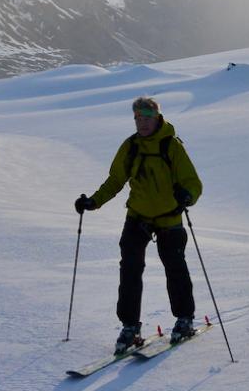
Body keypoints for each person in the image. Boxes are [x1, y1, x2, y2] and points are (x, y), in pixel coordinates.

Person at [75, 96, 203, 354]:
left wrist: (187, 196)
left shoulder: (172, 146)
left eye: (146, 118)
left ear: (157, 118)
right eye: (137, 118)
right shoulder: (131, 146)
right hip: (138, 217)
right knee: (130, 271)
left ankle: (184, 319)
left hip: (169, 218)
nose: (141, 123)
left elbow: (193, 182)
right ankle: (130, 327)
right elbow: (115, 180)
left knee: (175, 269)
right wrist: (93, 201)